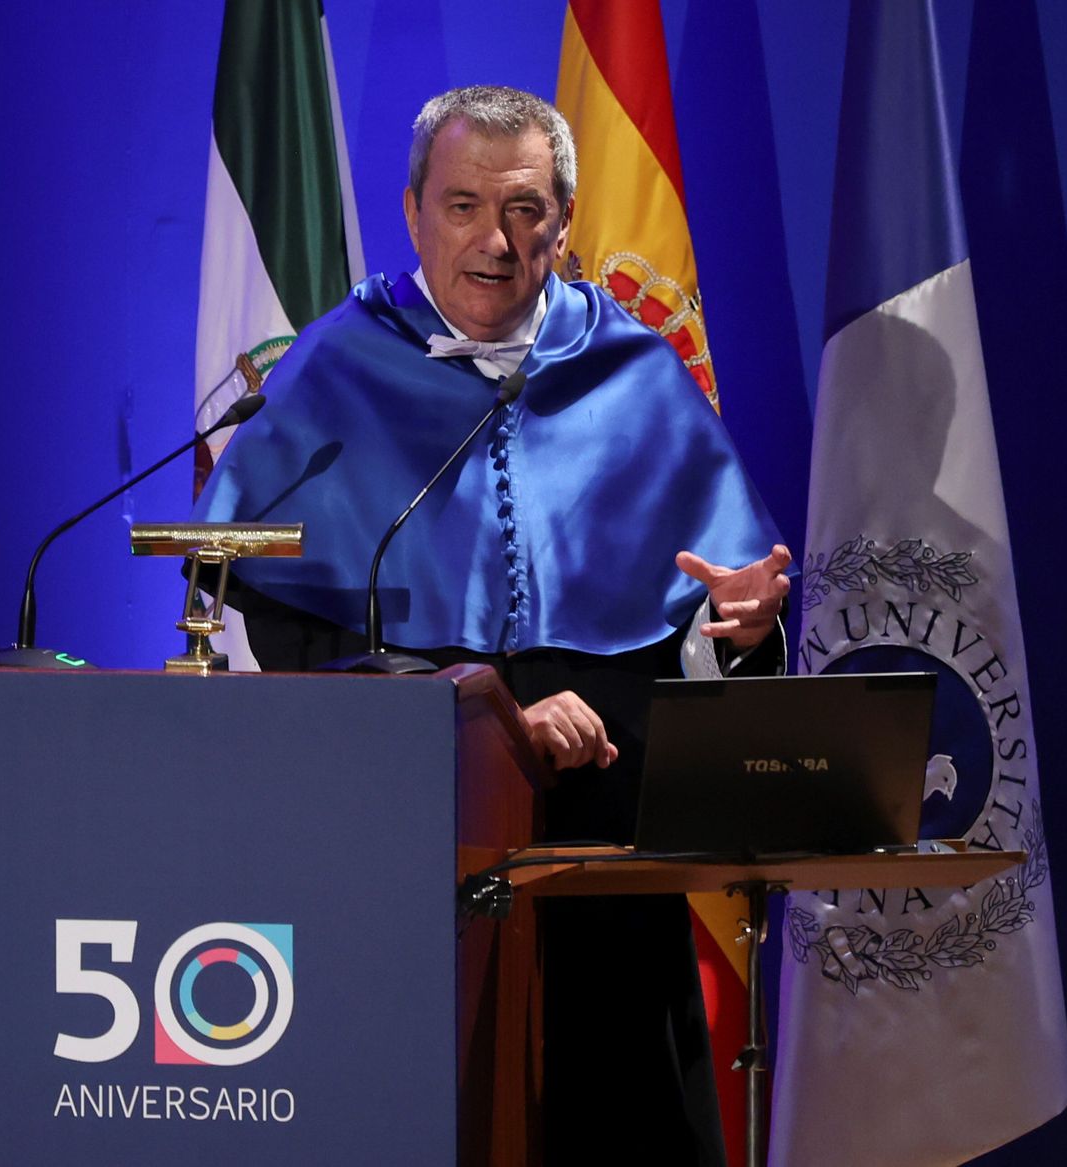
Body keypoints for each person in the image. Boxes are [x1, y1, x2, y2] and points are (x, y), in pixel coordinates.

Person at [193, 86, 790, 1163]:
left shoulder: (635, 373)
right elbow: (288, 620)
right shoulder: (337, 369)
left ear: (564, 221)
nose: (494, 241)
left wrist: (731, 635)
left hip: (602, 837)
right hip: (409, 831)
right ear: (414, 211)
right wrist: (478, 709)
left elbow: (691, 638)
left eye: (524, 211)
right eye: (463, 205)